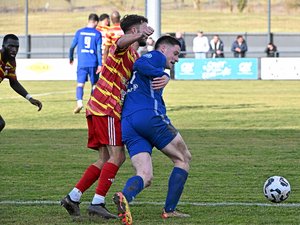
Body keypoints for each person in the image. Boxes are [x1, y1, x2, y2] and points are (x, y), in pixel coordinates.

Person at [61, 14, 169, 219]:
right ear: (135, 31)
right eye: (144, 28)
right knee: (117, 156)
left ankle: (73, 197)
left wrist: (166, 76)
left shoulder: (135, 57)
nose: (148, 32)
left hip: (100, 108)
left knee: (104, 159)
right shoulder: (121, 49)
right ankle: (97, 203)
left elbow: (150, 70)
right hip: (106, 107)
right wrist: (135, 35)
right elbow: (120, 41)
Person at [113, 35, 192, 225]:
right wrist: (164, 75)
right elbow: (140, 64)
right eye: (175, 53)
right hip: (148, 116)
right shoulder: (156, 56)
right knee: (183, 158)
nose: (177, 58)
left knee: (145, 175)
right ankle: (169, 210)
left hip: (129, 123)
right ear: (163, 49)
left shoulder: (149, 69)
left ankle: (124, 196)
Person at [0, 34, 42, 132]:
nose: (14, 49)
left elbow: (13, 82)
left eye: (17, 47)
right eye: (11, 46)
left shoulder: (11, 62)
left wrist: (30, 98)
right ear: (3, 46)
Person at [69, 13, 102, 114]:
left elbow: (72, 46)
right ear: (96, 22)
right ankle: (92, 105)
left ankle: (79, 103)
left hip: (82, 63)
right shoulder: (97, 34)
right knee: (95, 85)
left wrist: (71, 57)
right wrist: (100, 64)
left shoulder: (79, 32)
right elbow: (99, 51)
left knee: (80, 84)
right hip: (93, 62)